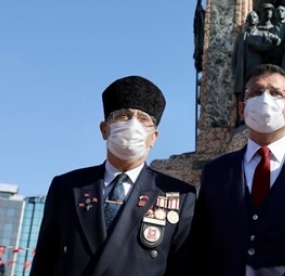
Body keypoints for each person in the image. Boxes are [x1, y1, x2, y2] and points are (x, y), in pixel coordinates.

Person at [31, 76, 196, 276]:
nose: (133, 125)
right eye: (123, 116)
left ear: (154, 137)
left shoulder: (178, 196)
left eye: (143, 119)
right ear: (104, 129)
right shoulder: (67, 187)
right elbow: (44, 262)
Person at [190, 64, 285, 276]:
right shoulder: (216, 172)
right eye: (256, 92)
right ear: (242, 109)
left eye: (275, 93)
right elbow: (199, 249)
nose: (265, 99)